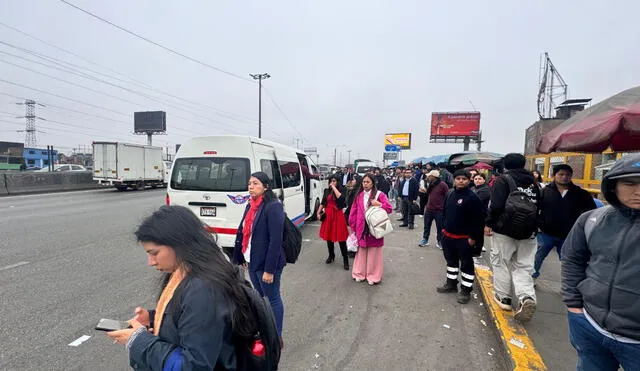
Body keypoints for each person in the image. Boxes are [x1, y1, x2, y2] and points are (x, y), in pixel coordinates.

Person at [107, 205, 256, 370]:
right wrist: (153, 318)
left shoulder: (204, 289)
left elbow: (193, 366)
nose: (150, 262)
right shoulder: (195, 270)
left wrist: (138, 341)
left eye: (154, 253)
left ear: (180, 244)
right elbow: (194, 320)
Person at [562, 154, 640, 371]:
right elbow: (572, 260)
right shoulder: (592, 220)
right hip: (590, 326)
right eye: (630, 183)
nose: (638, 191)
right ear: (613, 185)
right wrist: (573, 306)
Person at [485, 153, 541, 322]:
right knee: (524, 265)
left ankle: (504, 298)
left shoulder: (503, 180)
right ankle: (526, 297)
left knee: (501, 261)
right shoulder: (534, 183)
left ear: (505, 165)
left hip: (505, 230)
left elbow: (496, 206)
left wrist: (489, 223)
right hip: (529, 231)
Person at [233, 172, 286, 339]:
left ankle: (276, 337)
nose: (251, 186)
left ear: (265, 186)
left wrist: (269, 270)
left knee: (272, 298)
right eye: (249, 183)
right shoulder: (250, 205)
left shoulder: (273, 206)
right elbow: (243, 232)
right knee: (260, 298)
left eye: (255, 183)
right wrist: (241, 257)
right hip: (253, 260)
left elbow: (275, 240)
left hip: (267, 264)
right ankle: (264, 330)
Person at [534, 164, 596, 280]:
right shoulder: (545, 191)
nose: (564, 177)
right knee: (538, 257)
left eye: (567, 175)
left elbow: (591, 211)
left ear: (571, 176)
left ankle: (568, 284)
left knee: (568, 261)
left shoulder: (581, 194)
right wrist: (539, 224)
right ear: (554, 175)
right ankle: (532, 277)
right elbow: (536, 209)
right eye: (561, 174)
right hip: (546, 233)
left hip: (570, 235)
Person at [437, 170, 485, 304]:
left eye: (464, 178)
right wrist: (443, 229)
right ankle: (451, 284)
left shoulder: (473, 197)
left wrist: (473, 237)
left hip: (464, 238)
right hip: (448, 236)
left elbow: (478, 220)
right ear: (454, 180)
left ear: (469, 180)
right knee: (451, 262)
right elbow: (445, 212)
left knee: (466, 265)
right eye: (458, 178)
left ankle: (465, 290)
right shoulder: (450, 193)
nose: (461, 181)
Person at [349, 173, 393, 285]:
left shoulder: (380, 195)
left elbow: (389, 208)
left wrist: (378, 204)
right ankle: (359, 273)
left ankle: (373, 276)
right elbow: (353, 211)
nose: (365, 184)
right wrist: (352, 226)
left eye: (368, 182)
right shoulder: (359, 195)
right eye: (364, 182)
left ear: (373, 183)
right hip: (361, 228)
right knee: (361, 251)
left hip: (375, 227)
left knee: (374, 252)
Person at [317, 175, 350, 270]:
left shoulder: (342, 190)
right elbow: (323, 202)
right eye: (331, 181)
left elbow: (341, 199)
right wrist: (318, 212)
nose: (332, 182)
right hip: (328, 215)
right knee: (329, 237)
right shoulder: (326, 191)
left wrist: (334, 188)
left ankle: (345, 259)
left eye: (334, 181)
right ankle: (331, 255)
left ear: (338, 182)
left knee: (341, 239)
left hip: (338, 215)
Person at [419, 170, 449, 248]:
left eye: (429, 176)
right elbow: (429, 194)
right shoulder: (431, 184)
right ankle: (425, 239)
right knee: (426, 226)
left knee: (440, 227)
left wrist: (444, 208)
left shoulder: (443, 185)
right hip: (429, 209)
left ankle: (440, 241)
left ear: (433, 177)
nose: (428, 177)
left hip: (439, 210)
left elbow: (447, 196)